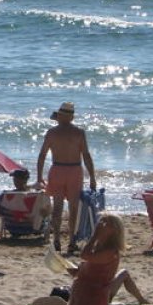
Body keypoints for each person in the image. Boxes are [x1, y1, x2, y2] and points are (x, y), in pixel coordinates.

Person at [35, 102, 97, 255]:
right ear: (72, 117)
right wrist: (92, 177)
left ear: (60, 116)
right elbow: (86, 156)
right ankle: (71, 242)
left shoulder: (52, 133)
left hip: (57, 169)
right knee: (73, 208)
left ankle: (56, 239)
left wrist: (39, 176)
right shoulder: (79, 133)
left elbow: (42, 155)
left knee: (57, 207)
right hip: (74, 170)